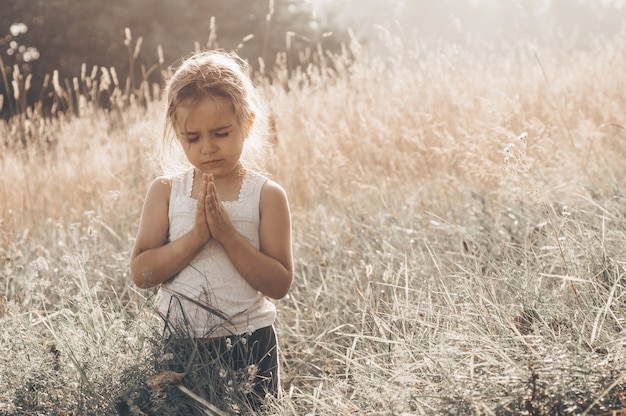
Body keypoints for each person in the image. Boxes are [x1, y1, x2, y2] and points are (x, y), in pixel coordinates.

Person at [130, 50, 293, 411]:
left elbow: (279, 284)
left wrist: (228, 236)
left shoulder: (266, 195)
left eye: (221, 133)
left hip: (249, 344)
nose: (208, 147)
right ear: (177, 132)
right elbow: (142, 273)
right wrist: (196, 239)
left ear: (248, 123)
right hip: (180, 348)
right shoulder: (167, 191)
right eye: (192, 138)